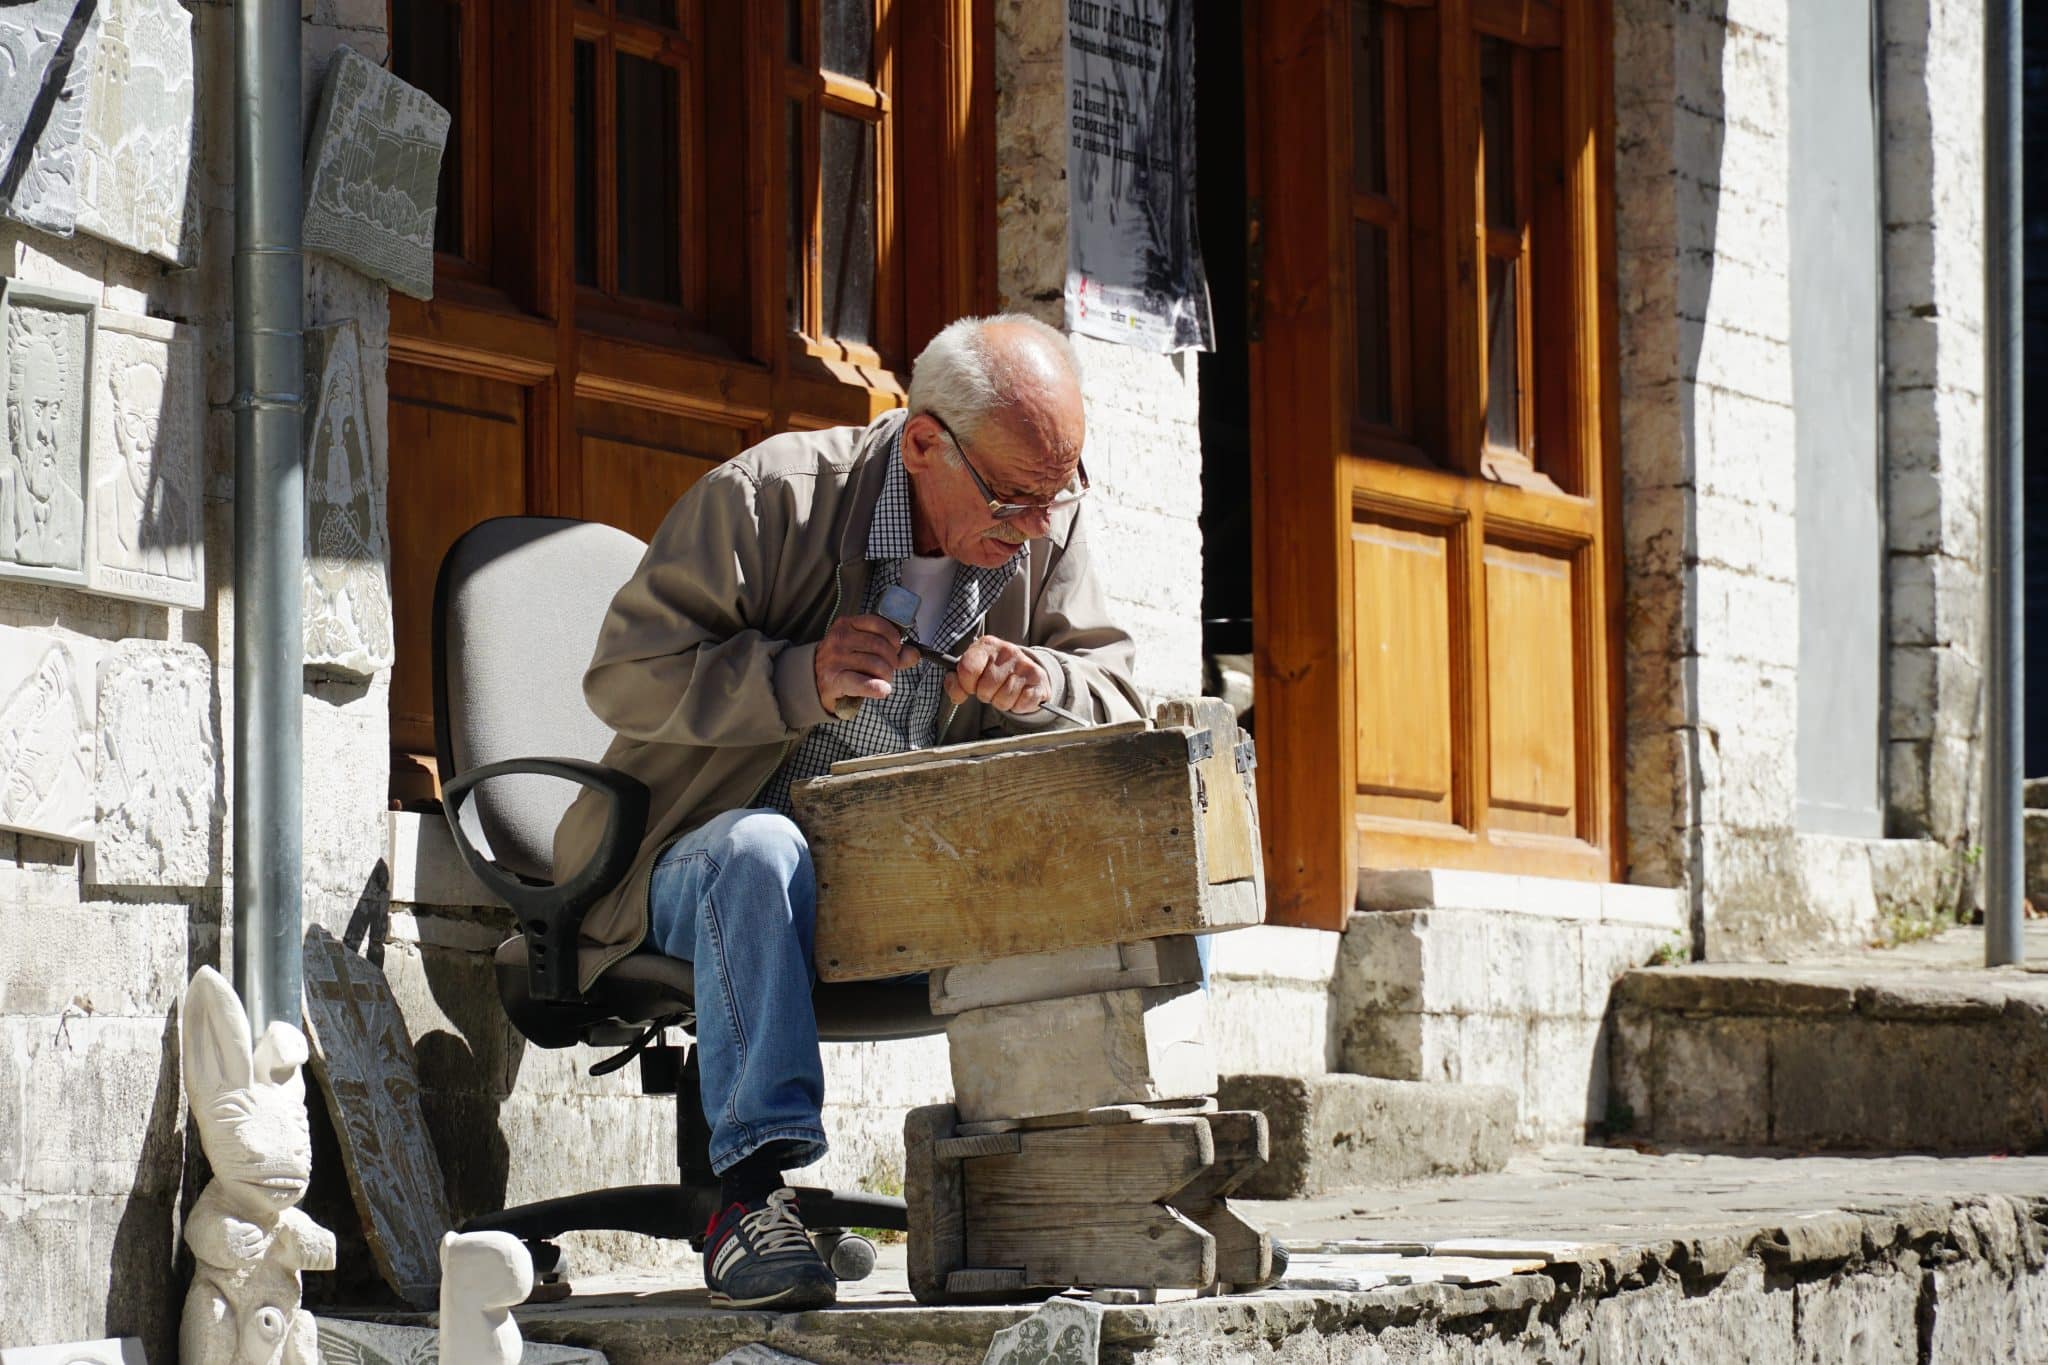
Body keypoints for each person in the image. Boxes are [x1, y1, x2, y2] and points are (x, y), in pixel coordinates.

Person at [551, 314, 1143, 1308]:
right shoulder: (771, 495)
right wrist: (794, 676)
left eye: (1057, 492)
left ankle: (1069, 1189)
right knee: (758, 846)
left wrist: (1040, 679)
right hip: (689, 869)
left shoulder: (1047, 523)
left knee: (1086, 857)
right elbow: (622, 679)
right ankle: (746, 1201)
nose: (1039, 524)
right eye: (1012, 498)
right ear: (921, 445)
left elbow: (1122, 700)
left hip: (902, 889)